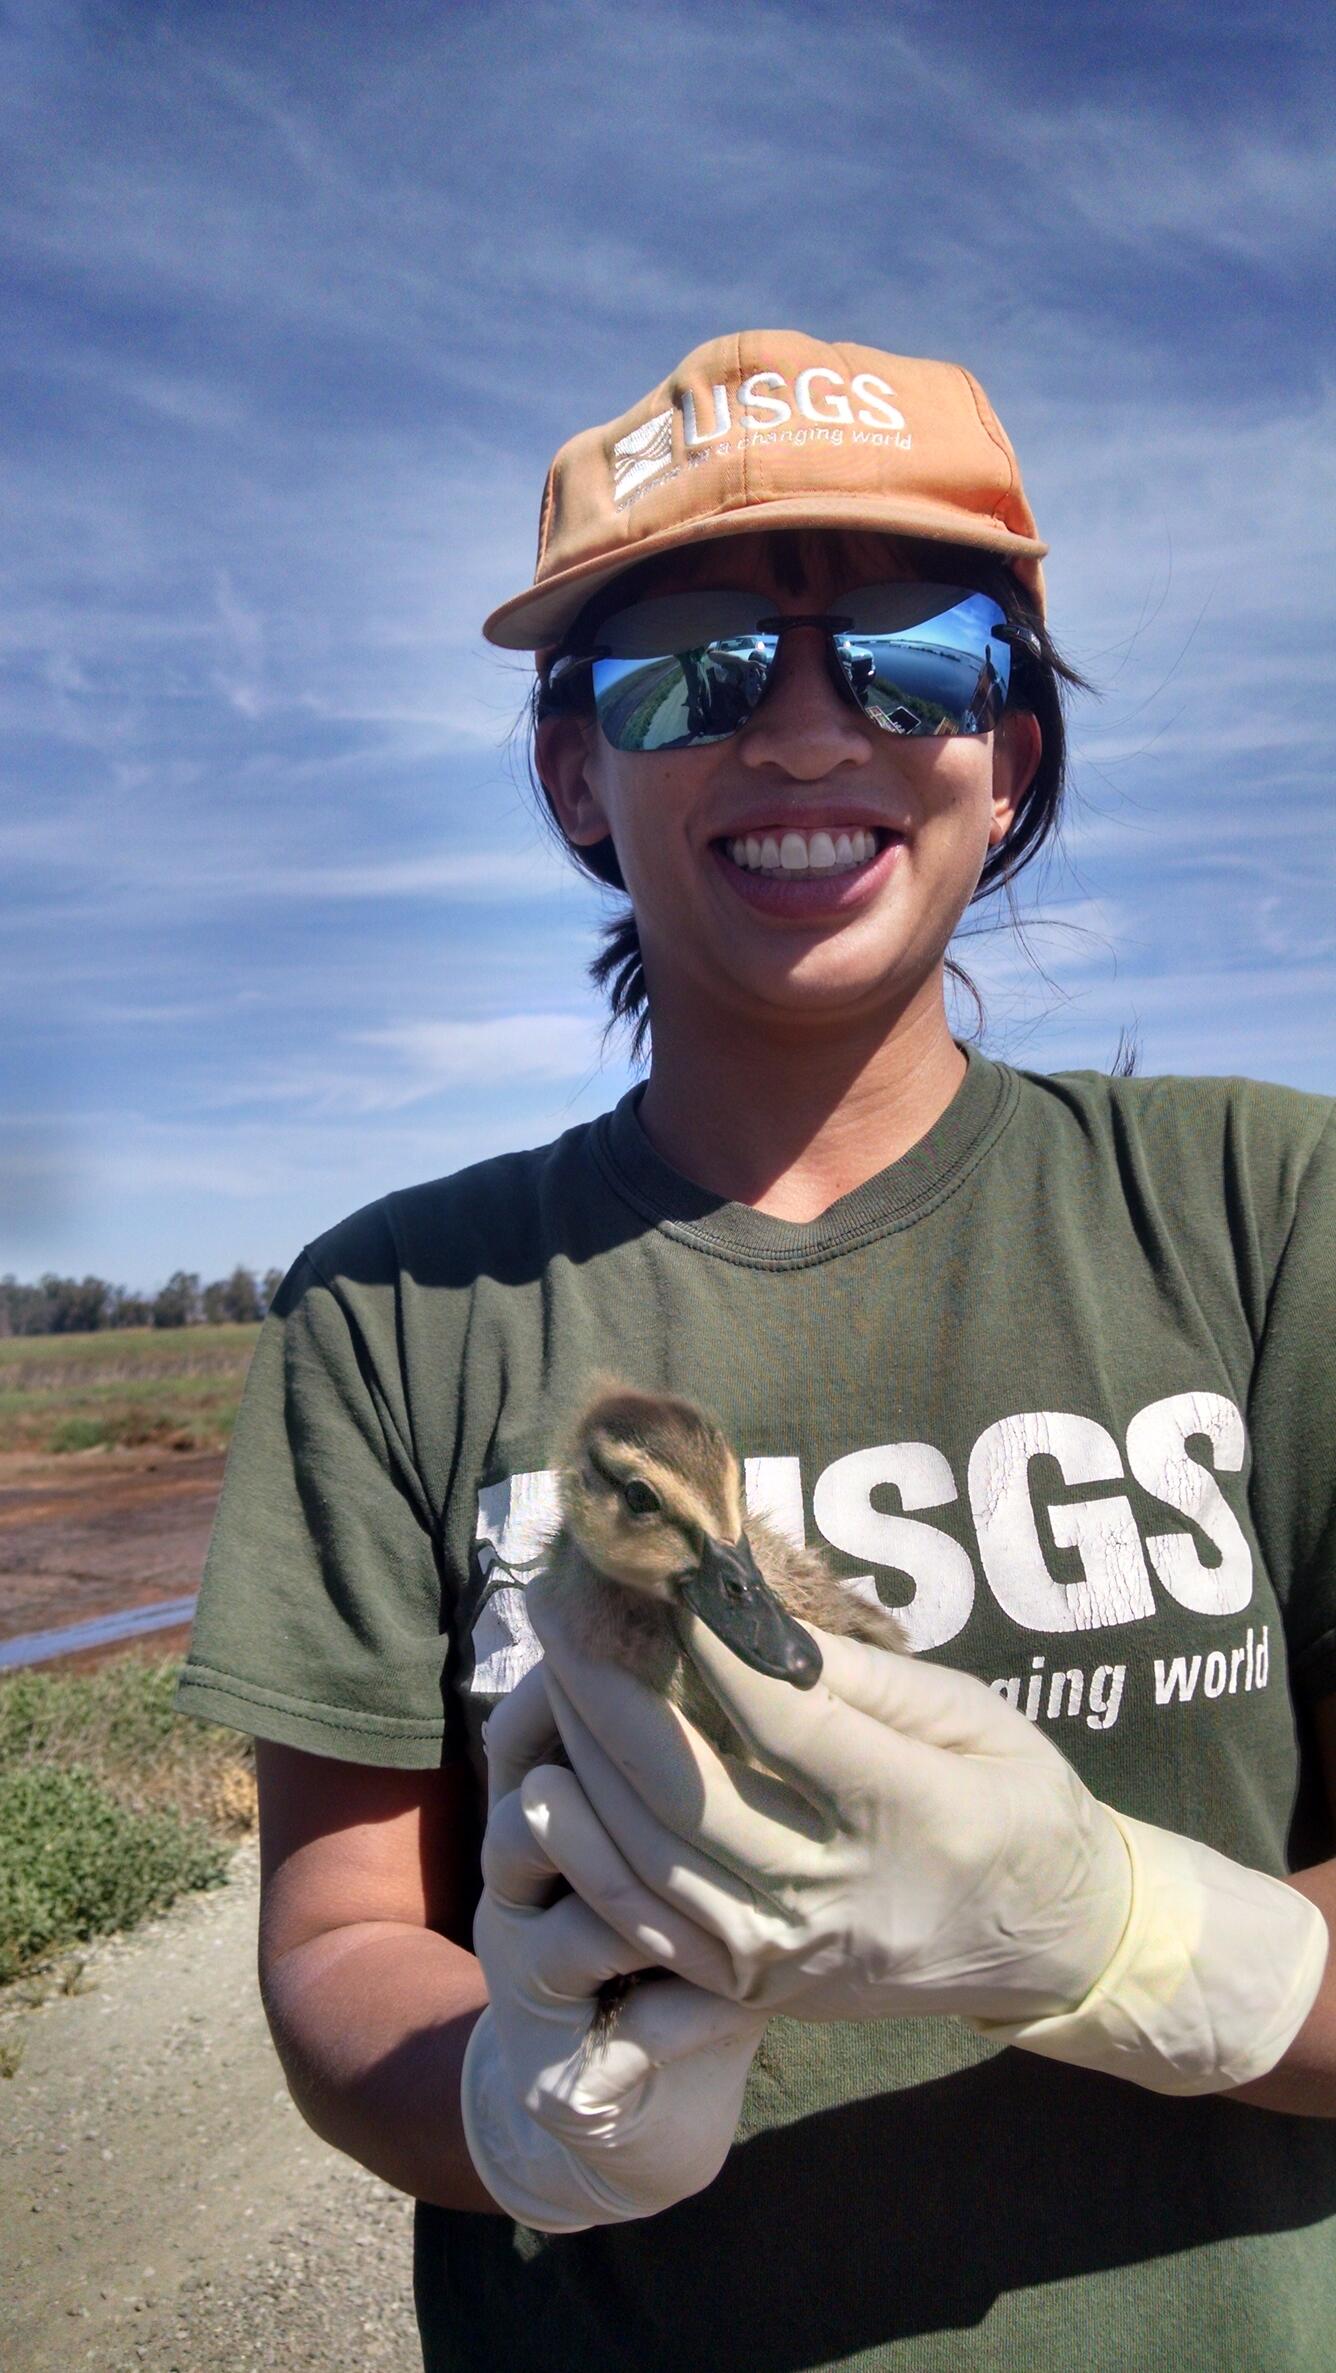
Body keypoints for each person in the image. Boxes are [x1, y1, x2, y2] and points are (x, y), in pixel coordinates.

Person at [178, 330, 1336, 2373]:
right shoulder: (389, 1310)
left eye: (907, 654)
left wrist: (1133, 1938)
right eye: (688, 669)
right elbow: (340, 1937)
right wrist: (510, 2100)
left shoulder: (1272, 1209)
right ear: (571, 769)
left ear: (1012, 744)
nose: (805, 734)